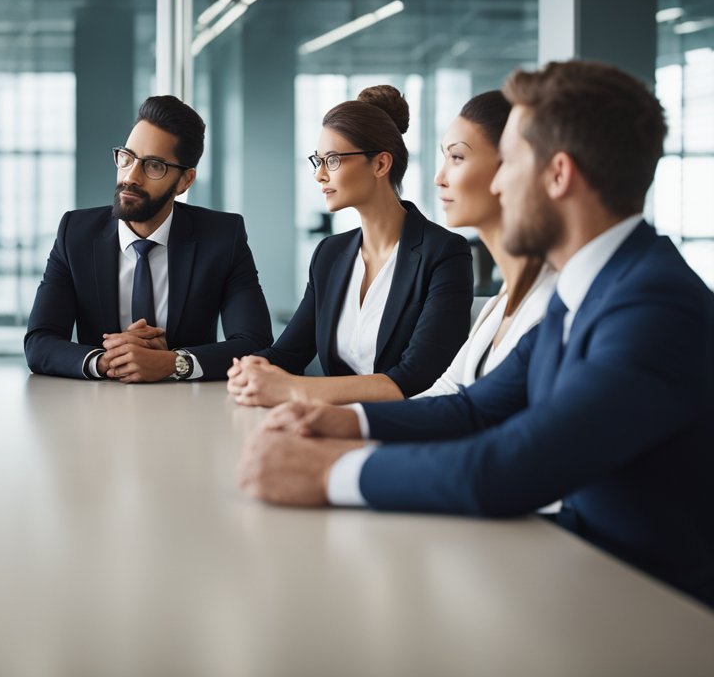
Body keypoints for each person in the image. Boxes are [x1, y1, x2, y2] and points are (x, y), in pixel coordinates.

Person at [239, 61, 714, 607]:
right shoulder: (592, 285)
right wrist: (340, 419)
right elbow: (474, 409)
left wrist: (332, 472)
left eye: (508, 161)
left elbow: (516, 464)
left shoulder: (654, 306)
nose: (495, 182)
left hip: (648, 609)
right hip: (579, 577)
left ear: (557, 175)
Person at [228, 86, 472, 407]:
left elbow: (416, 378)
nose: (319, 175)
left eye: (332, 160)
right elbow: (287, 354)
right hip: (328, 426)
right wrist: (250, 368)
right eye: (318, 160)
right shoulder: (329, 254)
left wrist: (295, 390)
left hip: (405, 432)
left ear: (380, 164)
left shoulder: (444, 253)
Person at [25, 95, 272, 382]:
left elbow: (255, 344)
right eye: (127, 158)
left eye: (154, 165)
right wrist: (107, 360)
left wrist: (173, 363)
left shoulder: (222, 236)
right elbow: (39, 343)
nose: (131, 176)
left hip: (192, 409)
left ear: (185, 181)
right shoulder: (75, 233)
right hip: (95, 408)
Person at [416, 91, 555, 398]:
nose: (439, 178)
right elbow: (447, 391)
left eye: (457, 157)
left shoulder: (551, 301)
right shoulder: (503, 297)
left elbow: (479, 419)